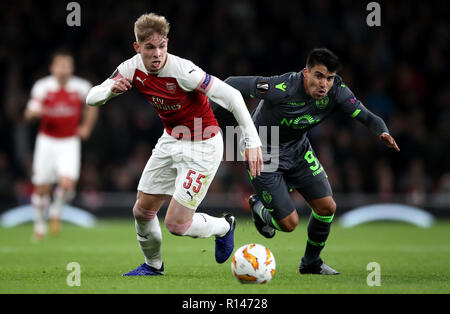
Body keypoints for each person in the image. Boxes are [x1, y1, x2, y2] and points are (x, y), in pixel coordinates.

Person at [86, 13, 263, 276]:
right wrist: (111, 90)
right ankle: (153, 266)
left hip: (203, 146)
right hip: (171, 140)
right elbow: (92, 97)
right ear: (137, 48)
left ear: (167, 43)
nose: (157, 53)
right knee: (142, 211)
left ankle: (225, 226)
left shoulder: (183, 70)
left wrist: (252, 141)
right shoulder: (131, 68)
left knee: (177, 225)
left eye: (162, 46)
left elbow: (232, 96)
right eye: (150, 47)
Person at [220, 48, 400, 275]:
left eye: (329, 78)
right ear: (305, 72)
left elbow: (367, 116)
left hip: (297, 149)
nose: (324, 84)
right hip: (264, 151)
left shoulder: (337, 91)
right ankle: (258, 206)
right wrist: (209, 117)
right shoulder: (281, 87)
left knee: (327, 208)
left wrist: (382, 132)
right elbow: (230, 83)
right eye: (318, 76)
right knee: (289, 224)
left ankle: (311, 263)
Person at [24, 50, 98, 240]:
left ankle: (55, 211)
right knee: (41, 188)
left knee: (67, 184)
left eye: (68, 65)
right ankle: (40, 226)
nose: (64, 69)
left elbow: (93, 105)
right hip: (47, 141)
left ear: (72, 68)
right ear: (52, 68)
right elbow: (28, 113)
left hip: (69, 141)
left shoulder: (81, 87)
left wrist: (86, 127)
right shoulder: (43, 87)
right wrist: (33, 114)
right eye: (60, 65)